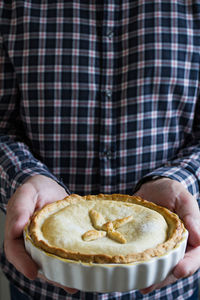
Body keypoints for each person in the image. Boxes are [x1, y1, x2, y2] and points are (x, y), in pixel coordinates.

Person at [0, 1, 200, 299]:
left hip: (169, 285)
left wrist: (180, 182)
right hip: (40, 280)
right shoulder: (13, 6)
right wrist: (25, 178)